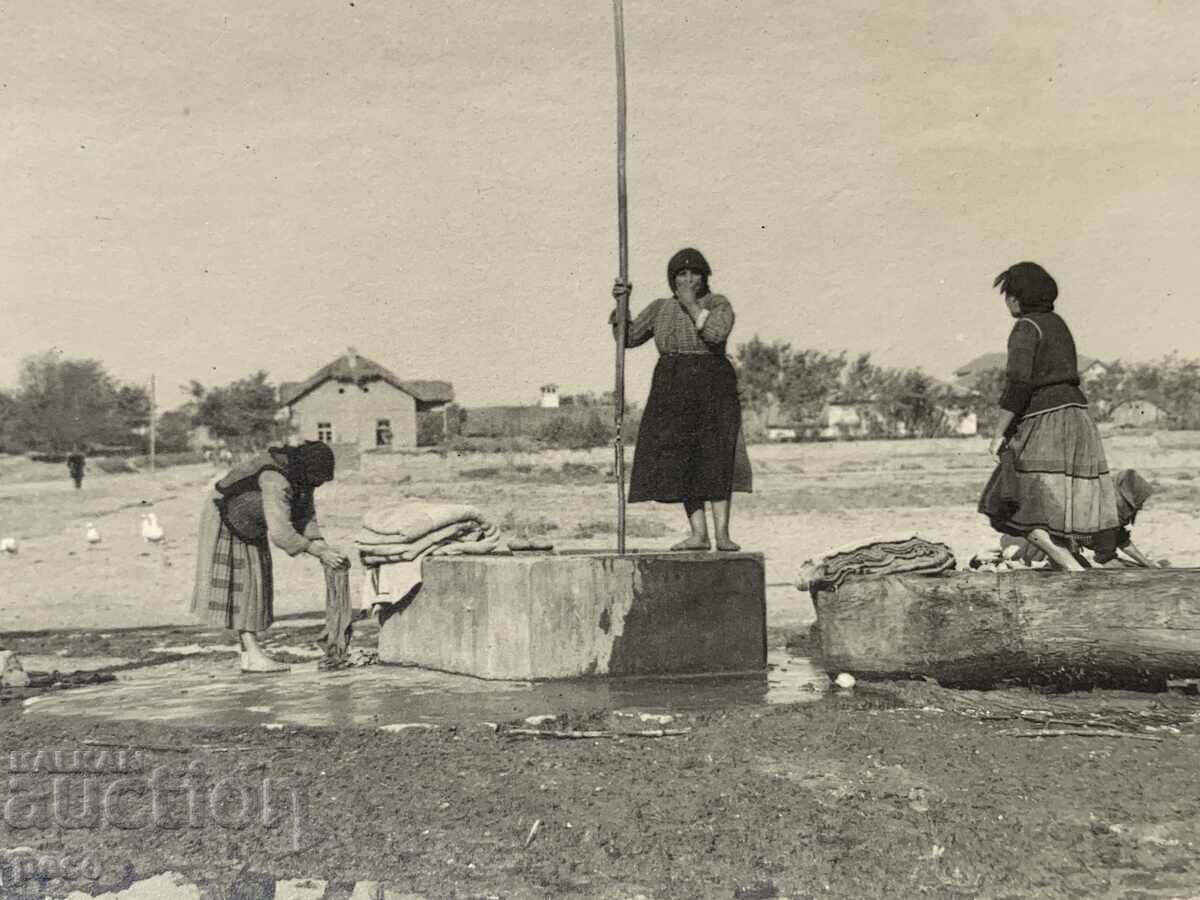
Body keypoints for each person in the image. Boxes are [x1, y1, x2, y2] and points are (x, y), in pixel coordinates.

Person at [978, 261, 1119, 571]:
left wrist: (998, 434)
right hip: (1078, 418)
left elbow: (1019, 385)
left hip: (1046, 420)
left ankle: (1074, 571)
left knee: (1014, 504)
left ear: (1018, 298)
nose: (1008, 302)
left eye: (1009, 295)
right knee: (1059, 509)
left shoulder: (1026, 327)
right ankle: (1072, 568)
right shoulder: (1057, 324)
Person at [611, 247, 749, 551]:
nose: (687, 280)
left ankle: (723, 534)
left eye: (694, 273)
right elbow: (628, 339)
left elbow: (715, 334)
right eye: (681, 274)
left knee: (716, 457)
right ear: (672, 279)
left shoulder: (717, 303)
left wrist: (691, 305)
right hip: (672, 388)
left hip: (713, 385)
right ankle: (698, 534)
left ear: (704, 277)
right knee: (685, 461)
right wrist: (622, 304)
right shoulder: (661, 308)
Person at [191, 440, 350, 673]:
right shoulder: (275, 478)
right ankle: (253, 655)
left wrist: (324, 547)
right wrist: (318, 552)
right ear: (305, 469)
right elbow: (281, 533)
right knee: (244, 586)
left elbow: (305, 515)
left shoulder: (300, 476)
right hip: (225, 516)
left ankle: (249, 656)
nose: (317, 485)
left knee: (257, 583)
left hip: (250, 521)